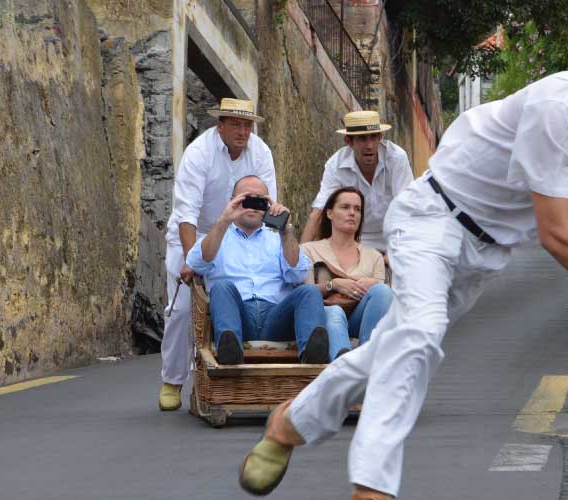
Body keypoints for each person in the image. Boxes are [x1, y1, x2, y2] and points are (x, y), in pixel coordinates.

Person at [238, 11, 568, 500]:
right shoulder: (562, 109)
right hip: (434, 217)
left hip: (487, 252)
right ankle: (372, 487)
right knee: (419, 337)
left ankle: (290, 421)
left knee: (392, 348)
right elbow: (556, 234)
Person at [158, 98, 277, 411]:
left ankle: (231, 377)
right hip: (195, 232)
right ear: (220, 125)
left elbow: (267, 203)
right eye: (235, 124)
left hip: (239, 232)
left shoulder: (261, 151)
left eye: (247, 124)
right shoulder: (198, 153)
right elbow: (187, 213)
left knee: (244, 296)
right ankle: (172, 380)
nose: (242, 131)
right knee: (183, 309)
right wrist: (190, 261)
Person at [187, 176, 343, 365]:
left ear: (268, 205)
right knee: (222, 287)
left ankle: (313, 357)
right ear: (233, 202)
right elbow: (195, 263)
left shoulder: (278, 238)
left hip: (276, 317)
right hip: (236, 314)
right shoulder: (218, 236)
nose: (253, 206)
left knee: (309, 291)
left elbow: (299, 273)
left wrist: (286, 231)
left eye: (259, 201)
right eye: (247, 200)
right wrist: (223, 221)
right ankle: (230, 352)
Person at [301, 111, 414, 253]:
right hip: (353, 239)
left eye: (374, 137)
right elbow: (319, 212)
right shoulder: (335, 164)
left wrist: (397, 252)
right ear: (349, 142)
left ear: (380, 137)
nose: (369, 145)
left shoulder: (397, 157)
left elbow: (406, 208)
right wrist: (301, 260)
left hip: (395, 236)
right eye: (362, 138)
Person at [301, 187, 393, 359]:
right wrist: (333, 284)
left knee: (382, 290)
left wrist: (374, 284)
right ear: (329, 213)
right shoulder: (308, 250)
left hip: (360, 317)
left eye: (357, 209)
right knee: (334, 312)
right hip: (325, 314)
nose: (352, 213)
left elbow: (381, 301)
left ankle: (367, 362)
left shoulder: (374, 256)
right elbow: (304, 294)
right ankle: (342, 368)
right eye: (345, 207)